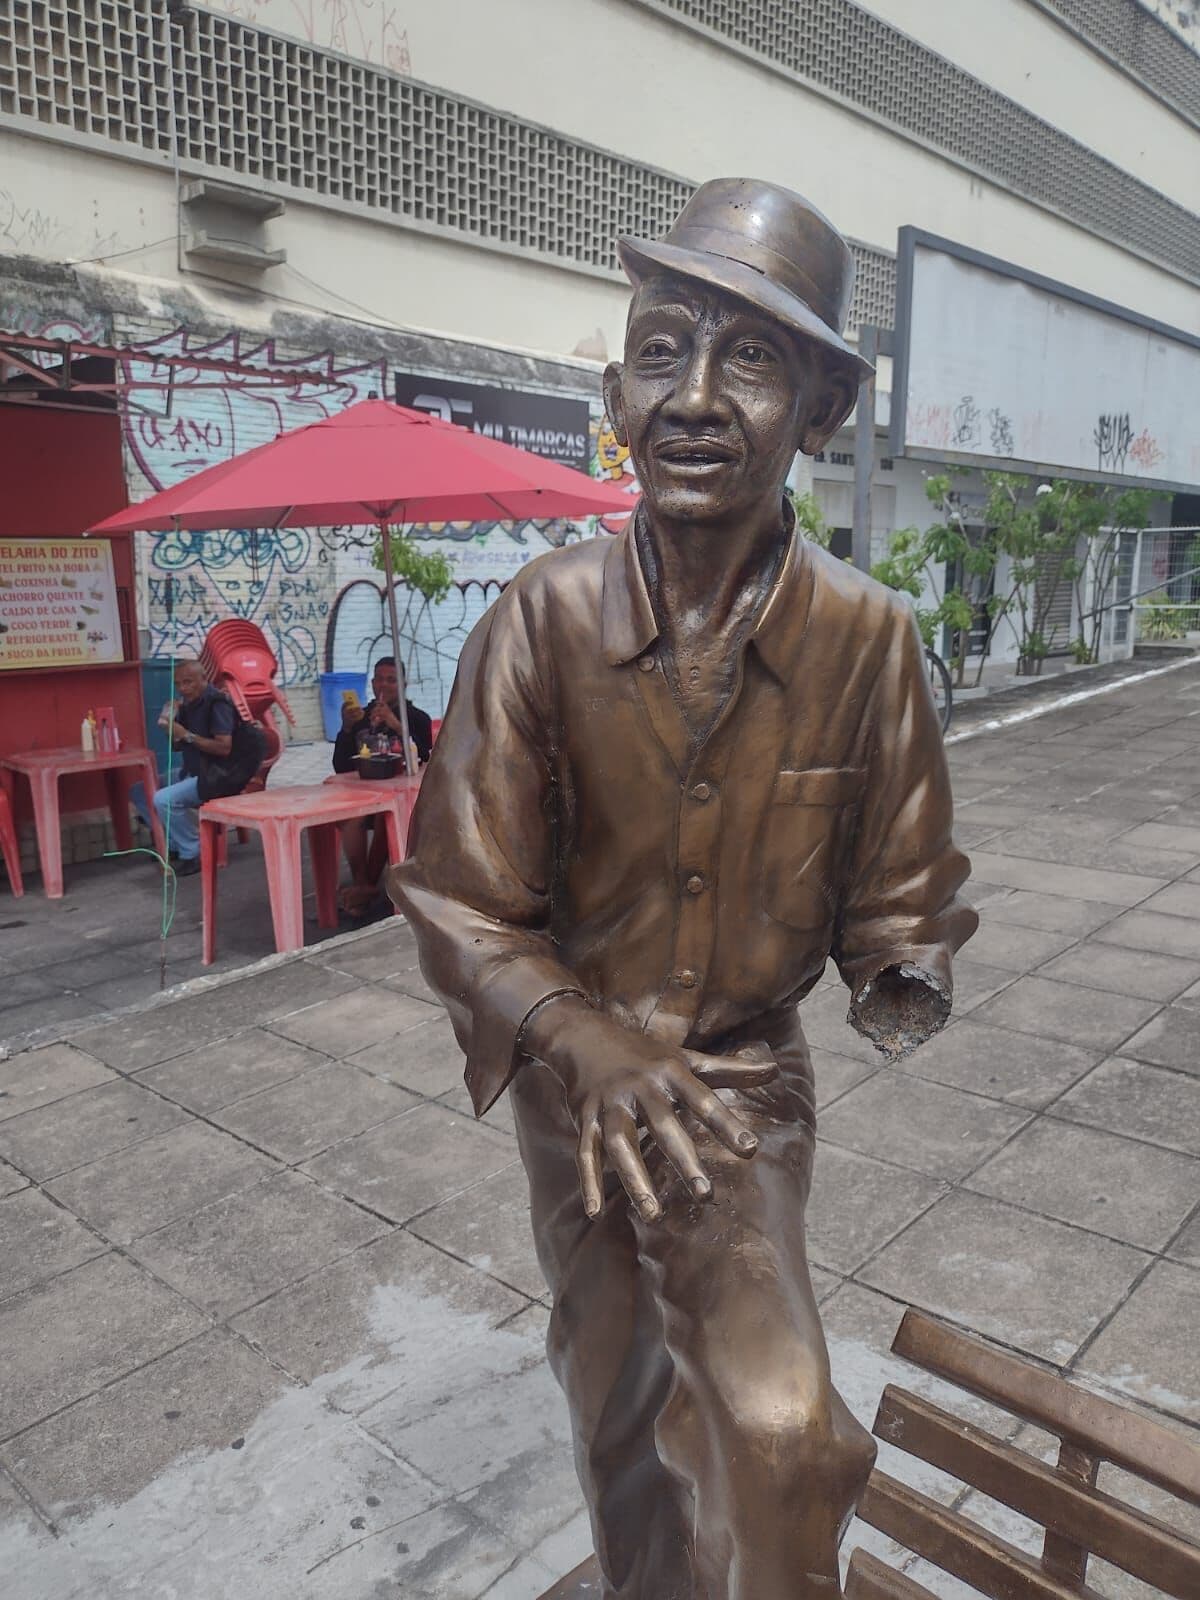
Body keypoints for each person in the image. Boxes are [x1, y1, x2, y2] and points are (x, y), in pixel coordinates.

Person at [388, 179, 977, 1599]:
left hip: (740, 1088)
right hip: (570, 1082)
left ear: (823, 411)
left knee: (782, 1434)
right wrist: (579, 1038)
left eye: (751, 360)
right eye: (662, 352)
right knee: (613, 1399)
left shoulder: (869, 641)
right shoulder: (540, 618)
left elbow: (904, 883)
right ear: (614, 396)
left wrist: (901, 964)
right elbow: (461, 896)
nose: (697, 397)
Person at [332, 657, 432, 918]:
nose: (383, 685)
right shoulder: (361, 717)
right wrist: (346, 729)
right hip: (365, 793)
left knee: (384, 817)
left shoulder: (417, 718)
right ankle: (364, 885)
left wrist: (396, 725)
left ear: (403, 684)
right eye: (379, 679)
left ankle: (364, 889)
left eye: (391, 680)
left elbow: (424, 758)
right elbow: (341, 766)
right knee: (350, 817)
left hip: (402, 797)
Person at [131, 658, 234, 877]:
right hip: (192, 771)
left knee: (163, 799)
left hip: (216, 776)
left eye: (188, 682)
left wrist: (186, 734)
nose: (183, 688)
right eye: (178, 684)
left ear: (203, 679)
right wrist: (170, 727)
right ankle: (173, 844)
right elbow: (178, 746)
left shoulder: (218, 704)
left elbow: (224, 748)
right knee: (140, 791)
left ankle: (193, 851)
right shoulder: (188, 705)